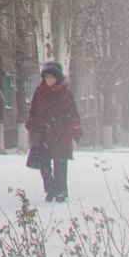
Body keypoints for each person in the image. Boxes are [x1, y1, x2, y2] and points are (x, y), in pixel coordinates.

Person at [25, 60, 82, 203]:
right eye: (46, 77)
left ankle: (61, 191)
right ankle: (50, 189)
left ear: (57, 78)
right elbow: (33, 110)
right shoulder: (40, 91)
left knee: (60, 164)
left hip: (61, 133)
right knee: (44, 164)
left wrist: (74, 127)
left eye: (51, 77)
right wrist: (32, 124)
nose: (48, 80)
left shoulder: (65, 93)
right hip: (44, 133)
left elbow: (72, 112)